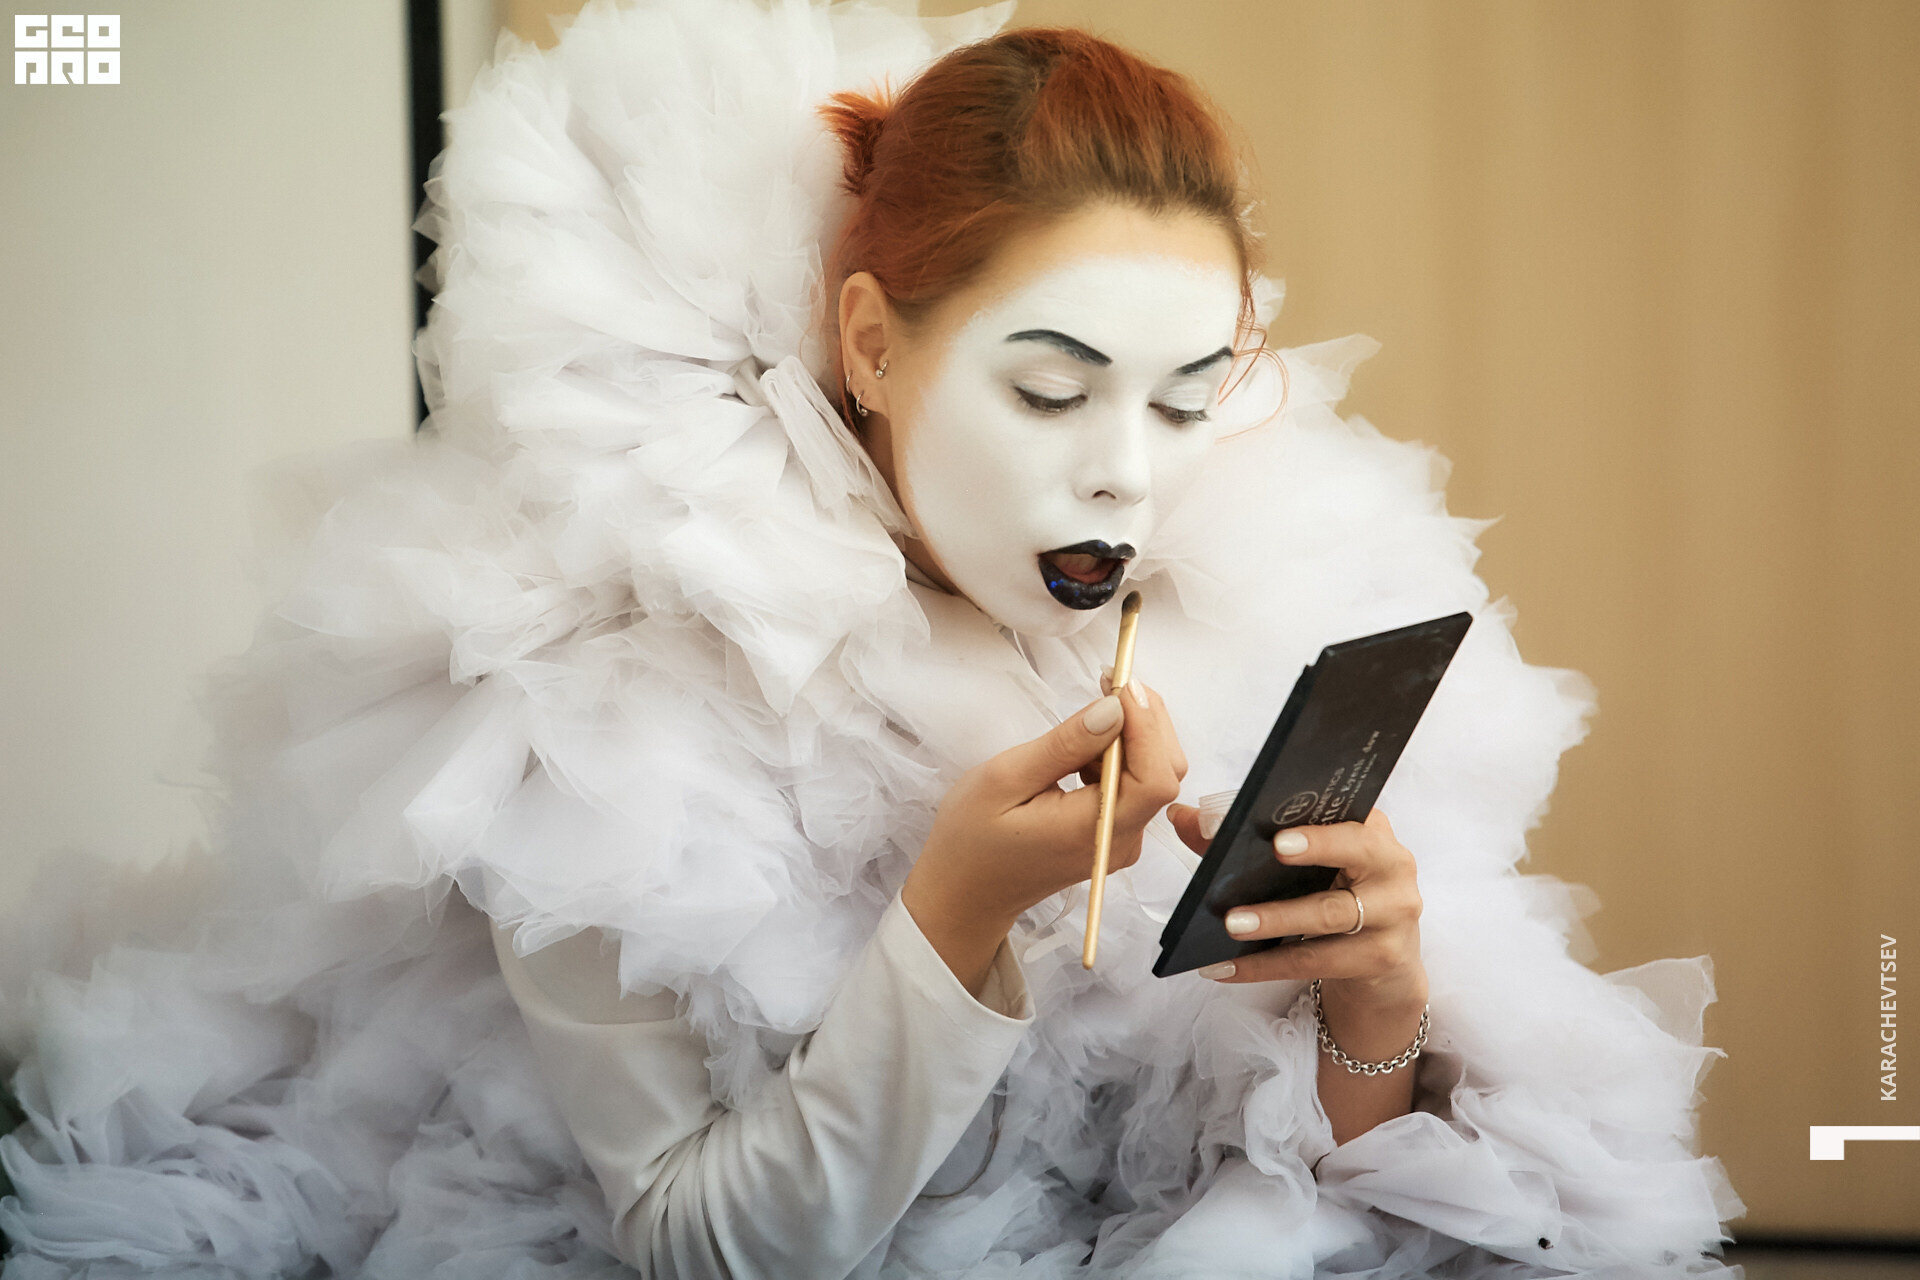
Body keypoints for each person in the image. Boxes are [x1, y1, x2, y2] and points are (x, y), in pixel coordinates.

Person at [0, 1, 1744, 1276]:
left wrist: (1375, 1015)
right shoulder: (594, 694)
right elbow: (700, 1248)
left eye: (1185, 399)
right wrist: (954, 917)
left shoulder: (1229, 617)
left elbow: (1300, 1206)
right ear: (871, 341)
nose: (1127, 474)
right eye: (1050, 389)